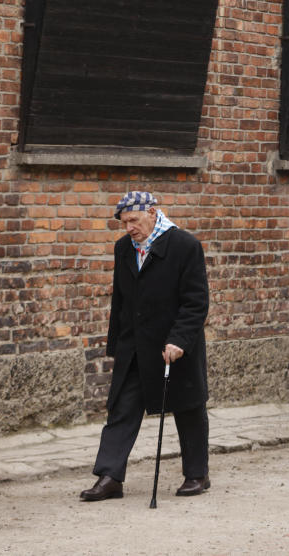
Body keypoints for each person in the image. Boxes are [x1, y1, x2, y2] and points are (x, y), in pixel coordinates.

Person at [80, 190, 211, 501]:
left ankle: (197, 474)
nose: (129, 228)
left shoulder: (184, 246)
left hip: (174, 345)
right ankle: (110, 477)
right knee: (122, 407)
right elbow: (121, 300)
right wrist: (117, 345)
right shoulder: (124, 248)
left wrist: (179, 340)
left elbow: (196, 301)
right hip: (135, 345)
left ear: (154, 213)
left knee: (188, 407)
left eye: (134, 220)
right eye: (124, 223)